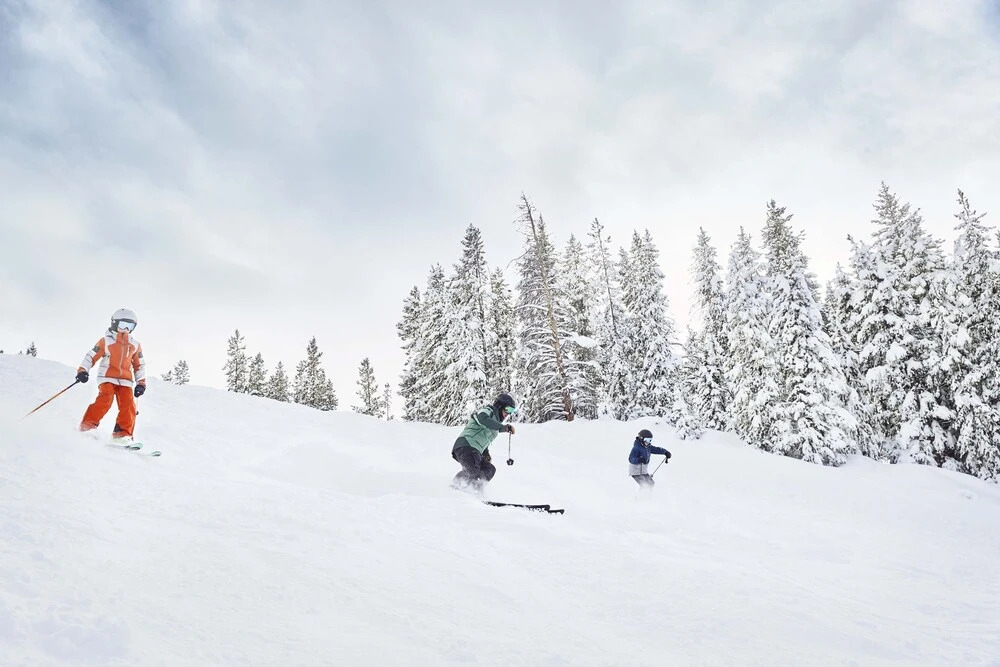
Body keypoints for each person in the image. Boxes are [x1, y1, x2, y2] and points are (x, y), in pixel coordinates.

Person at [76, 308, 147, 445]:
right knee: (105, 399)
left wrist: (141, 383)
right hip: (107, 377)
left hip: (126, 381)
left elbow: (139, 365)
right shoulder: (106, 341)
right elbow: (91, 356)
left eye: (130, 326)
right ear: (114, 323)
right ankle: (87, 426)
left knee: (128, 405)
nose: (126, 329)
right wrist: (83, 370)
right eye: (122, 325)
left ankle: (122, 435)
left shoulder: (135, 345)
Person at [451, 392, 517, 492]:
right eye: (508, 409)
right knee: (473, 472)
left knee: (489, 469)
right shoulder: (488, 411)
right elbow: (482, 419)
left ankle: (474, 490)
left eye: (512, 411)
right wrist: (503, 428)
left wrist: (486, 453)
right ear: (500, 406)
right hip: (466, 445)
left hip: (474, 450)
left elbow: (483, 438)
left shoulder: (494, 423)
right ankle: (458, 489)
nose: (508, 413)